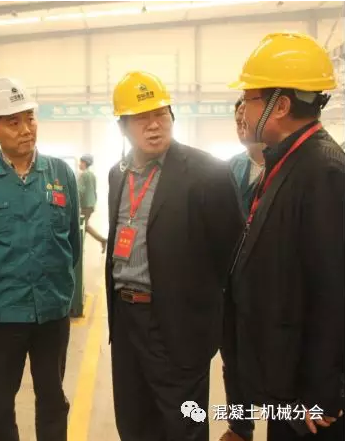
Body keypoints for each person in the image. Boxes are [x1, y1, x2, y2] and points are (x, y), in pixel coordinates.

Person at [105, 71, 244, 441]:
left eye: (161, 114)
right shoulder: (117, 174)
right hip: (126, 320)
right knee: (134, 422)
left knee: (183, 427)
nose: (154, 125)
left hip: (178, 326)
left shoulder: (208, 173)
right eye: (141, 117)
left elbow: (231, 255)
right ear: (122, 126)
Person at [227, 31, 344, 441]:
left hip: (310, 403)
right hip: (286, 380)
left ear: (280, 106)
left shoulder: (324, 172)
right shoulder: (288, 159)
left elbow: (334, 292)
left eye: (249, 97)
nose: (243, 108)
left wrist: (320, 392)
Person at [0, 77, 81, 441]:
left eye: (30, 118)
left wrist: (61, 292)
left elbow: (72, 241)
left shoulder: (61, 174)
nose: (26, 129)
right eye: (14, 122)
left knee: (53, 399)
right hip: (1, 311)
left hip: (51, 311)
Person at [219, 98, 267, 441]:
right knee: (232, 356)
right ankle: (240, 425)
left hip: (271, 282)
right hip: (232, 280)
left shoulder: (288, 167)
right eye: (236, 119)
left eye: (245, 117)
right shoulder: (229, 169)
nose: (241, 125)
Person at [228, 97, 267, 215]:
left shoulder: (284, 164)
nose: (242, 127)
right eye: (239, 122)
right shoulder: (231, 166)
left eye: (246, 121)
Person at [78, 153, 108, 253]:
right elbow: (94, 190)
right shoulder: (92, 175)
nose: (79, 164)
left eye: (81, 162)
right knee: (84, 226)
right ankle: (101, 240)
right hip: (91, 205)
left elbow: (80, 191)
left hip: (85, 205)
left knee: (82, 226)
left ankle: (81, 248)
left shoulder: (83, 175)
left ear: (85, 163)